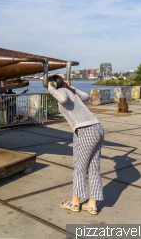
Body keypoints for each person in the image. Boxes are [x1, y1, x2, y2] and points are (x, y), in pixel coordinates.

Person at [47, 74, 104, 215]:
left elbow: (63, 99)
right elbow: (86, 97)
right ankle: (91, 204)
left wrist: (52, 89)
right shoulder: (70, 91)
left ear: (53, 84)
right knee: (93, 168)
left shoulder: (61, 92)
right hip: (97, 127)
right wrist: (71, 87)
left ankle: (74, 203)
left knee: (79, 167)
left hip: (85, 130)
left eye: (48, 84)